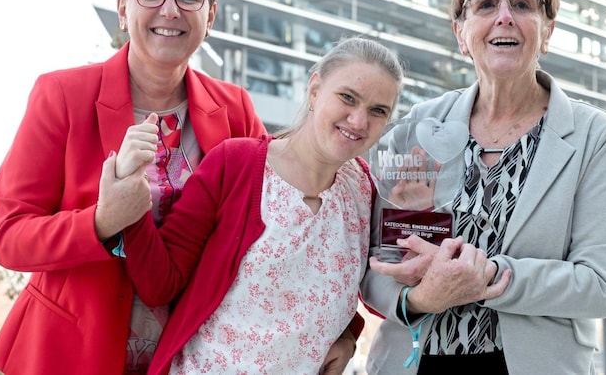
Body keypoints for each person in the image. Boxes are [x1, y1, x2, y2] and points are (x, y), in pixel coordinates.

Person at [0, 0, 271, 374]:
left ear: (210, 15)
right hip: (72, 352)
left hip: (191, 356)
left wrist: (344, 330)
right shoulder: (61, 94)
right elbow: (9, 237)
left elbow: (271, 230)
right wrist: (101, 221)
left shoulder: (235, 109)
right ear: (123, 8)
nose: (170, 9)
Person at [360, 0, 606, 374]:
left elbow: (599, 286)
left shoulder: (595, 136)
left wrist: (486, 275)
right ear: (460, 33)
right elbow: (377, 266)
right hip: (413, 362)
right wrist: (419, 299)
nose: (503, 16)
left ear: (547, 31)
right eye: (485, 4)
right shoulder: (418, 127)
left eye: (522, 4)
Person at [98, 36, 404, 374]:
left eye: (378, 111)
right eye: (348, 97)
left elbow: (357, 291)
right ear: (315, 89)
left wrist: (348, 336)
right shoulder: (235, 164)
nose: (359, 121)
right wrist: (128, 198)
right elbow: (161, 283)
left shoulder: (365, 190)